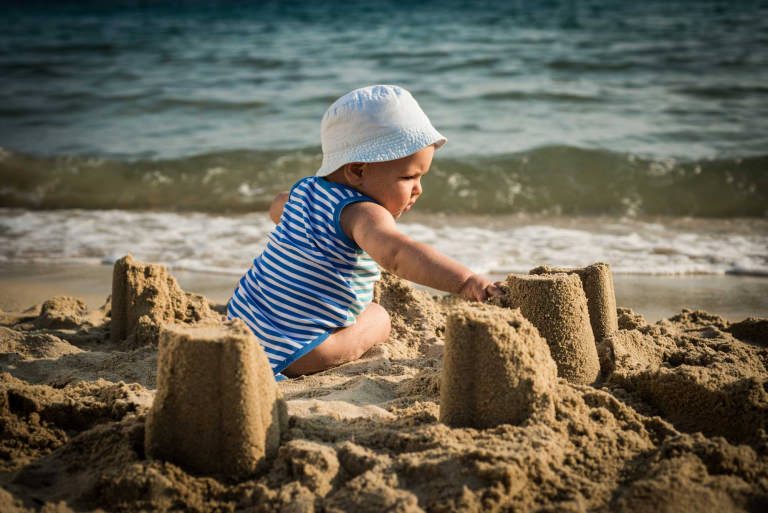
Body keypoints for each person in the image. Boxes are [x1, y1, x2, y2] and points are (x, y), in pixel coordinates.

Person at [228, 84, 502, 381]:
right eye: (408, 177)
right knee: (378, 318)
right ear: (358, 171)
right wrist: (466, 282)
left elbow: (276, 206)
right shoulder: (362, 213)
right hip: (301, 352)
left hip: (242, 324)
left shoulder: (303, 191)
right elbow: (397, 254)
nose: (419, 189)